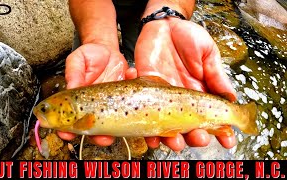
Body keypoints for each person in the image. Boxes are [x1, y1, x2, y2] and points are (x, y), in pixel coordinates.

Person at [59, 0, 238, 152]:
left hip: (150, 10)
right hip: (92, 10)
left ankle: (138, 139)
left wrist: (168, 11)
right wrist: (97, 39)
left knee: (140, 67)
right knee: (93, 74)